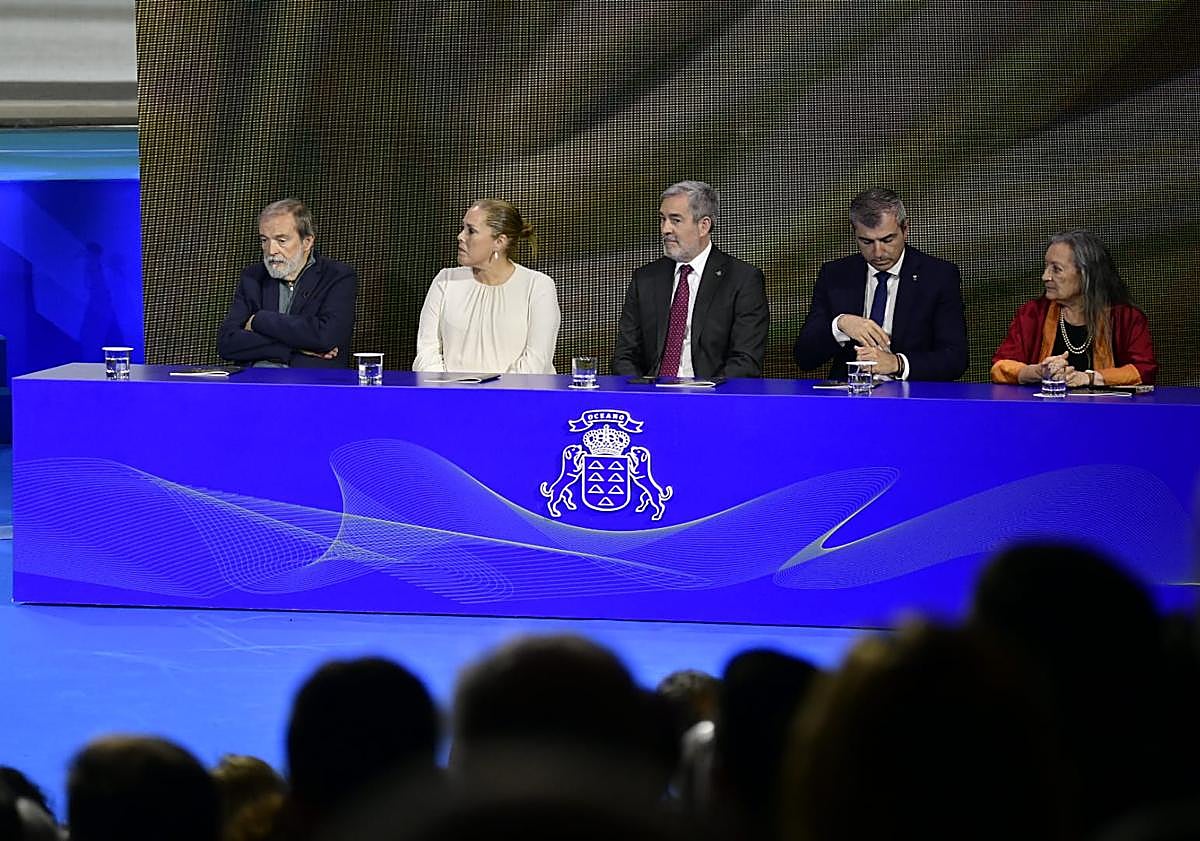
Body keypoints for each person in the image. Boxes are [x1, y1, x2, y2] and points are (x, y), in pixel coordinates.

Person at [793, 188, 968, 381]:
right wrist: (840, 325)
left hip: (911, 398)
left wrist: (896, 363)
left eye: (887, 239)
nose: (878, 252)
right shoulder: (835, 275)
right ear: (855, 234)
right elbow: (804, 358)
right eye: (867, 241)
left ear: (905, 229)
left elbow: (955, 359)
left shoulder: (938, 276)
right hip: (851, 399)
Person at [612, 181, 769, 379]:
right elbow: (624, 357)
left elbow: (746, 361)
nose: (665, 229)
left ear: (703, 226)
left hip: (711, 400)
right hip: (651, 398)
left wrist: (702, 396)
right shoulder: (645, 279)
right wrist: (643, 395)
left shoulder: (742, 280)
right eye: (662, 219)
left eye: (675, 220)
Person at [990, 230, 1157, 387]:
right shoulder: (1032, 314)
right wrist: (1039, 371)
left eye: (1056, 269)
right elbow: (1000, 367)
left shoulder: (1126, 318)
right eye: (1046, 267)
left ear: (1085, 275)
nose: (1045, 276)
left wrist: (1088, 378)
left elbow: (1143, 371)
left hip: (1107, 414)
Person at [413, 199, 560, 374]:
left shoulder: (537, 286)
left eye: (471, 231)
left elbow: (536, 362)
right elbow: (427, 352)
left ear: (499, 241)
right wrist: (448, 392)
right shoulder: (445, 280)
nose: (460, 236)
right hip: (451, 398)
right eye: (463, 228)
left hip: (516, 399)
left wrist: (492, 396)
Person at [217, 198, 357, 367]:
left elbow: (325, 338)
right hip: (258, 382)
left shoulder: (338, 277)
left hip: (312, 386)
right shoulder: (253, 277)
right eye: (264, 240)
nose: (271, 250)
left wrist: (258, 320)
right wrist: (295, 347)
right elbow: (227, 343)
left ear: (307, 242)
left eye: (281, 241)